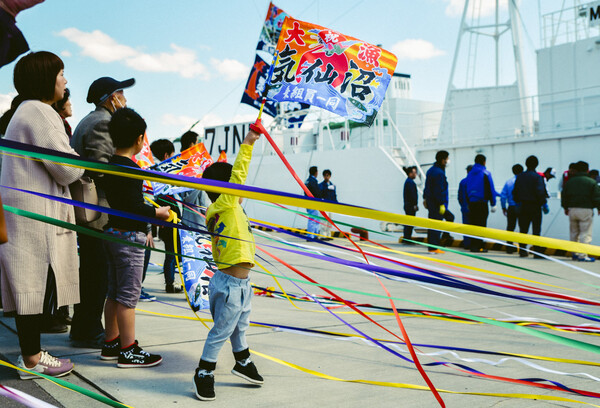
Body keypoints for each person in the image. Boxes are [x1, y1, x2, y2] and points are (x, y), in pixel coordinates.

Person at [0, 51, 83, 379]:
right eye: (61, 74)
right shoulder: (38, 111)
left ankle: (31, 355)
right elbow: (66, 169)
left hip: (24, 213)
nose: (65, 80)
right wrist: (80, 158)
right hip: (34, 217)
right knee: (30, 286)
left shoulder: (24, 110)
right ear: (45, 78)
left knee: (27, 286)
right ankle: (32, 360)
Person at [193, 128, 263, 401]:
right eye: (235, 186)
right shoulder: (226, 204)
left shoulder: (226, 209)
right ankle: (204, 370)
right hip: (231, 284)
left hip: (241, 283)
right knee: (223, 329)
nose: (240, 189)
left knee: (239, 325)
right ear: (227, 188)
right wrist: (247, 144)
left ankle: (242, 360)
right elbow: (239, 175)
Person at [100, 107, 170, 366]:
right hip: (129, 238)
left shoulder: (110, 165)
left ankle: (111, 342)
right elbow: (134, 207)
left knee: (114, 293)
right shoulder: (131, 169)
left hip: (112, 233)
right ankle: (128, 350)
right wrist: (157, 212)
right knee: (129, 297)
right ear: (140, 139)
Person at [70, 76, 135, 348]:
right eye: (121, 93)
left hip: (91, 209)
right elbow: (99, 167)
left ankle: (85, 327)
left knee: (94, 271)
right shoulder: (102, 123)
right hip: (98, 211)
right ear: (111, 98)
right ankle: (86, 330)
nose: (125, 99)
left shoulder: (91, 120)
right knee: (97, 273)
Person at [150, 139, 183, 293]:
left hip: (167, 221)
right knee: (172, 254)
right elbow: (164, 200)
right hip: (170, 221)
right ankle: (170, 284)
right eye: (172, 155)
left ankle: (171, 282)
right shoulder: (162, 178)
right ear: (166, 156)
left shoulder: (154, 174)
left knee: (172, 253)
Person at [561, 161, 600, 262]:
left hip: (572, 209)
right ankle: (582, 255)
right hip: (586, 209)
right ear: (587, 170)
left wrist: (565, 207)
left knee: (574, 232)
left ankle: (574, 254)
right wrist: (599, 208)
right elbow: (596, 197)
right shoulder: (591, 182)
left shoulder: (570, 181)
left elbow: (564, 195)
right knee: (585, 233)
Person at [513, 155, 547, 258]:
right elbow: (540, 192)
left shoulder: (520, 176)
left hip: (523, 206)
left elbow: (515, 191)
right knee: (536, 229)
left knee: (523, 229)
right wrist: (543, 203)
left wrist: (518, 201)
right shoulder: (537, 177)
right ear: (536, 164)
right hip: (535, 206)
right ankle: (536, 252)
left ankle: (523, 251)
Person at [178, 130, 212, 230]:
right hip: (200, 220)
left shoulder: (179, 165)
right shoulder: (197, 168)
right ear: (192, 144)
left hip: (185, 220)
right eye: (197, 142)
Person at [465, 154, 497, 252]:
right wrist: (493, 203)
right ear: (484, 162)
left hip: (471, 203)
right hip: (482, 203)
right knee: (481, 225)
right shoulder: (485, 173)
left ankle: (473, 246)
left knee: (473, 225)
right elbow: (490, 188)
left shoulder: (470, 174)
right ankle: (479, 246)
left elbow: (466, 188)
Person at [423, 150, 451, 254]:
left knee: (432, 224)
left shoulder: (431, 170)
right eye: (447, 159)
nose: (448, 161)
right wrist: (442, 203)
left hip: (431, 202)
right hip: (437, 203)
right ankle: (434, 247)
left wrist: (425, 198)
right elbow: (439, 190)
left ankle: (432, 246)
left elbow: (427, 187)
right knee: (437, 224)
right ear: (443, 160)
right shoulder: (439, 173)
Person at [500, 164, 524, 254]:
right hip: (522, 207)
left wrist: (503, 207)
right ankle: (522, 248)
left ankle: (509, 247)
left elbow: (503, 196)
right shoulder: (524, 182)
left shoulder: (508, 182)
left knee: (510, 227)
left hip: (511, 207)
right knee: (522, 228)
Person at [318, 169, 337, 240]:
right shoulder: (321, 185)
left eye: (327, 175)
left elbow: (334, 195)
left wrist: (336, 204)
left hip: (331, 205)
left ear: (330, 176)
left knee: (330, 221)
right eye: (325, 176)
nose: (326, 177)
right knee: (324, 221)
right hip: (324, 205)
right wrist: (327, 188)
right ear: (323, 176)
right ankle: (323, 235)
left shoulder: (333, 186)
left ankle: (328, 235)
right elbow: (320, 193)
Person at [457, 165, 472, 249]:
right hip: (473, 208)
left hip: (464, 208)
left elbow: (459, 197)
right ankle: (474, 244)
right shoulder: (474, 181)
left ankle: (467, 244)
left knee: (466, 227)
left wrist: (463, 205)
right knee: (474, 227)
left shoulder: (462, 182)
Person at [304, 166, 321, 239]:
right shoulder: (312, 181)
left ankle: (314, 234)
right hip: (313, 202)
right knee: (313, 220)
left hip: (309, 202)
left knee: (315, 219)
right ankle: (311, 236)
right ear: (315, 172)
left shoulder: (308, 180)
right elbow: (316, 192)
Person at [402, 166, 418, 242]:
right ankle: (407, 238)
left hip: (408, 205)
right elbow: (412, 195)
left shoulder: (408, 182)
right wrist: (415, 204)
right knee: (410, 223)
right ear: (410, 173)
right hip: (410, 206)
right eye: (414, 172)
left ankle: (407, 237)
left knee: (408, 222)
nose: (415, 174)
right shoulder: (410, 182)